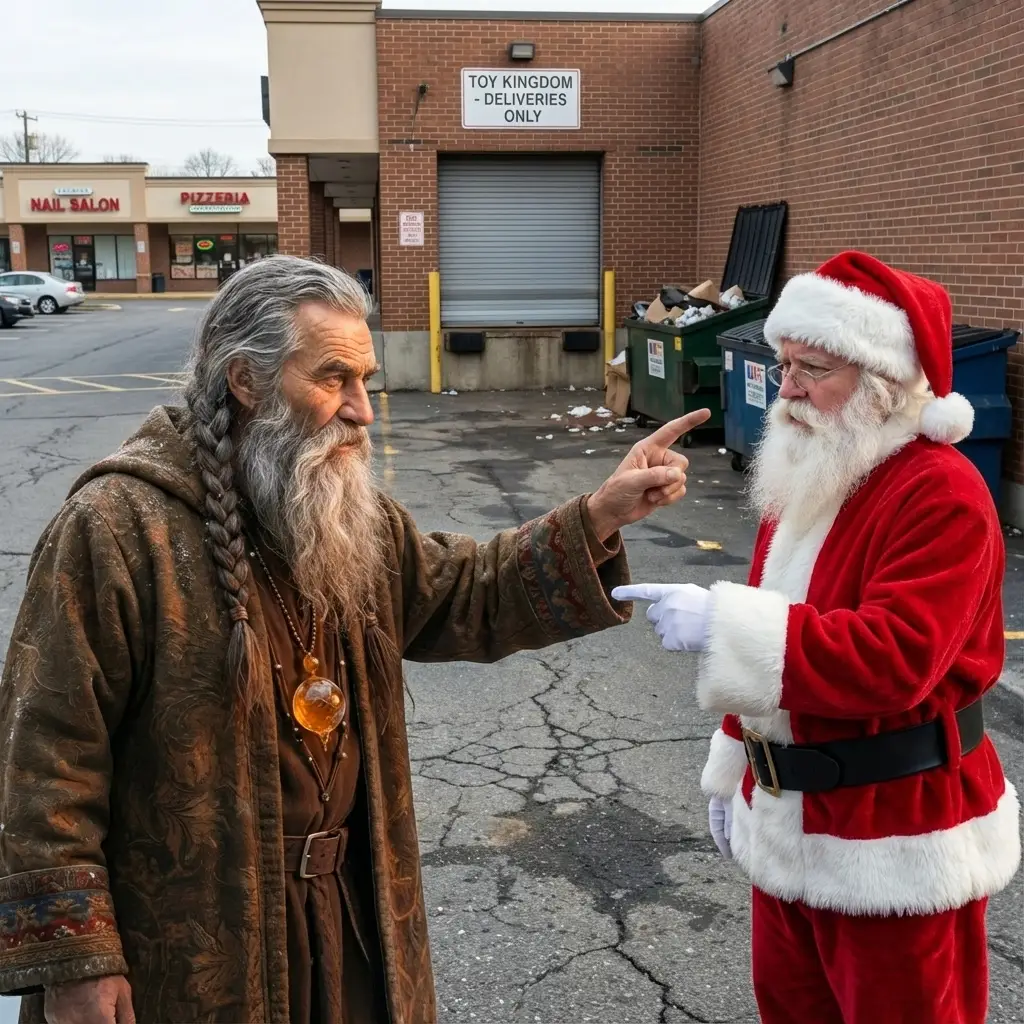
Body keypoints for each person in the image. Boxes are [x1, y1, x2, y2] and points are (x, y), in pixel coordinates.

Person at [0, 254, 708, 1024]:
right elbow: (45, 759)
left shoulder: (346, 517)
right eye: (334, 378)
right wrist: (78, 963)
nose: (363, 410)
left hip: (352, 921)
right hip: (196, 942)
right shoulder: (116, 529)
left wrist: (598, 516)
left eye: (365, 379)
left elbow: (465, 592)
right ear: (245, 380)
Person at [615, 251, 1021, 1024]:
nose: (788, 387)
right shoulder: (813, 472)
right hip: (788, 821)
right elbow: (774, 645)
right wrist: (734, 771)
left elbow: (896, 658)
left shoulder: (941, 492)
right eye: (785, 363)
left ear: (885, 383)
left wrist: (722, 623)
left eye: (814, 369)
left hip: (895, 839)